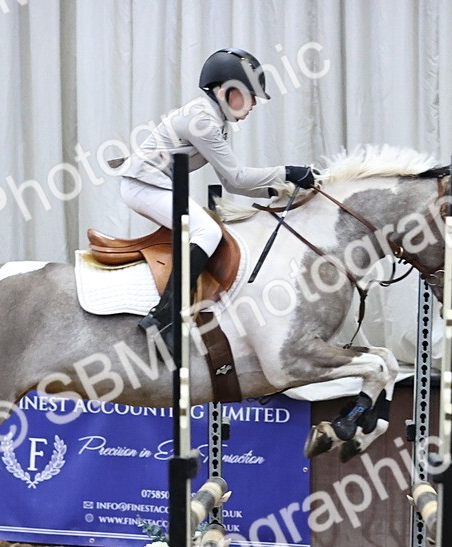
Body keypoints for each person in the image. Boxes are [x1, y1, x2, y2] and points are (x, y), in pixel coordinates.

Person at [119, 47, 319, 352]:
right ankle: (163, 317)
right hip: (142, 186)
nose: (254, 104)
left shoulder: (215, 119)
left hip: (157, 185)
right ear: (227, 91)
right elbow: (237, 178)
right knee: (207, 232)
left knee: (210, 230)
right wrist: (288, 172)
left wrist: (282, 188)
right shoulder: (203, 120)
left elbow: (230, 182)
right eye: (250, 95)